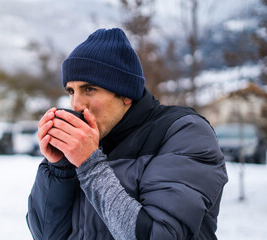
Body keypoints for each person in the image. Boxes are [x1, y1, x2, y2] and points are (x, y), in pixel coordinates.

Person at [27, 28, 228, 240]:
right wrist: (60, 168)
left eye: (89, 89)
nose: (76, 104)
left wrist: (90, 165)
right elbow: (46, 235)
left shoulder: (184, 132)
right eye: (71, 91)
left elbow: (161, 235)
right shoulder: (88, 145)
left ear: (126, 94)